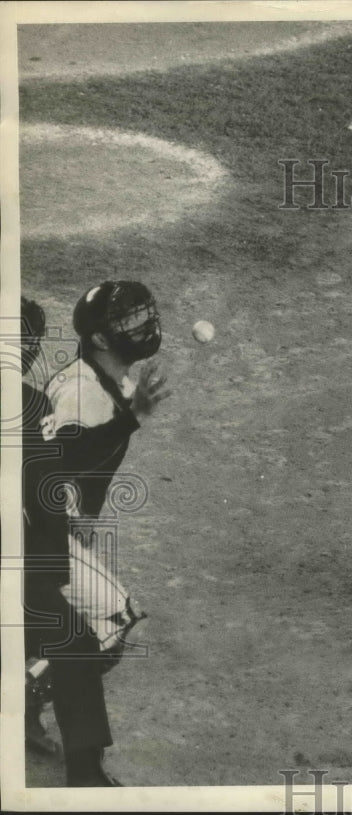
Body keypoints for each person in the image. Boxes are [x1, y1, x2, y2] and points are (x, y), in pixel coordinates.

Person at [27, 281, 169, 783]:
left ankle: (27, 693)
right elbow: (55, 463)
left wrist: (88, 511)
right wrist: (71, 518)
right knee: (112, 623)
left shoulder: (115, 384)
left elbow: (96, 465)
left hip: (54, 523)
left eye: (142, 316)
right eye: (128, 323)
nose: (142, 328)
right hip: (37, 528)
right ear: (102, 339)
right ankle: (23, 699)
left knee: (76, 623)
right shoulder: (81, 394)